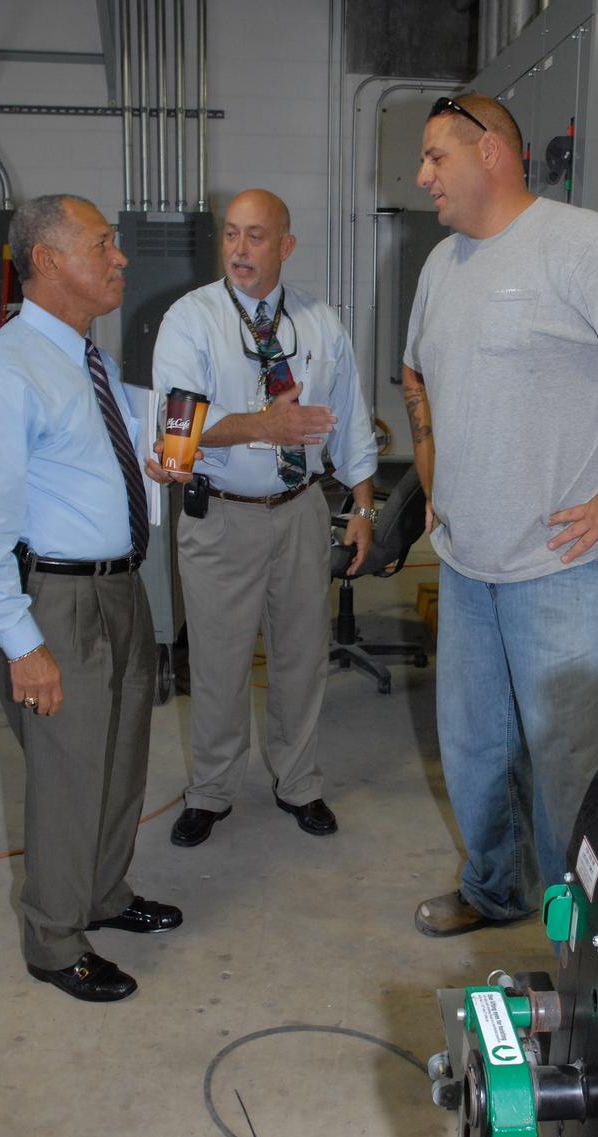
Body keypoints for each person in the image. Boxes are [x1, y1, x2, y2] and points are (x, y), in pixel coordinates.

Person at [404, 95, 598, 936]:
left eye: (436, 156)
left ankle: (575, 935)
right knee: (473, 753)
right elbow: (416, 375)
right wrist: (434, 474)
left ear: (491, 153)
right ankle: (493, 890)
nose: (421, 174)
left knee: (567, 767)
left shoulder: (576, 243)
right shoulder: (442, 267)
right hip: (468, 562)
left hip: (563, 569)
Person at [0, 194, 183, 1000]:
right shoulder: (0, 374)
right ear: (46, 262)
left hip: (118, 590)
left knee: (119, 764)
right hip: (53, 600)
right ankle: (52, 940)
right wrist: (22, 642)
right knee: (68, 776)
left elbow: (88, 469)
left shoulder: (91, 362)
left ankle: (102, 895)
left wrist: (151, 472)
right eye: (103, 245)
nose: (120, 259)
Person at [153, 189, 377, 847]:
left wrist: (362, 505)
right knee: (220, 663)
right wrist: (264, 425)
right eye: (230, 235)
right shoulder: (189, 320)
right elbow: (175, 433)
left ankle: (298, 782)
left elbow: (351, 420)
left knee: (301, 657)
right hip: (222, 516)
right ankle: (212, 791)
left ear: (286, 246)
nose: (239, 250)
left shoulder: (318, 322)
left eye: (255, 237)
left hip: (302, 510)